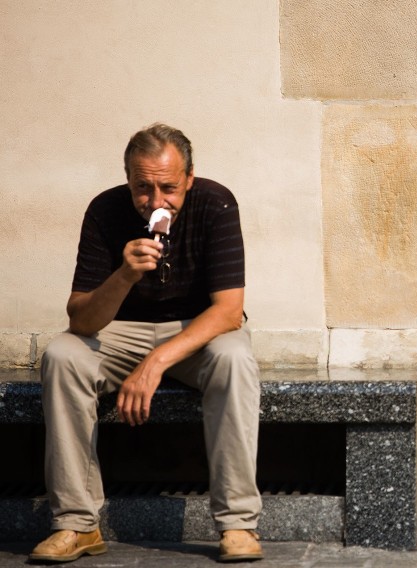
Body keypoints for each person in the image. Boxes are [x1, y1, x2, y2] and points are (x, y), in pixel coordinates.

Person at [30, 124, 263, 563]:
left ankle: (237, 524)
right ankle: (76, 525)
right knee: (62, 355)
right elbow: (81, 320)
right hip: (120, 330)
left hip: (197, 330)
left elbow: (230, 311)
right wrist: (125, 274)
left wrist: (154, 363)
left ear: (190, 179)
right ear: (128, 180)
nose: (156, 201)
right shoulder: (105, 210)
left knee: (235, 357)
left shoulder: (215, 203)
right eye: (143, 188)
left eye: (169, 188)